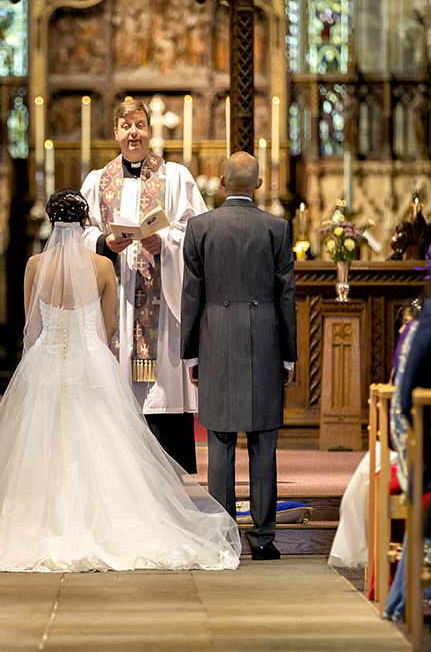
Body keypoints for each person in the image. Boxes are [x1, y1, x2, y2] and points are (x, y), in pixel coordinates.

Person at [0, 188, 240, 572]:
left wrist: (49, 347)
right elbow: (109, 327)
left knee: (40, 448)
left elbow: (32, 326)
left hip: (45, 360)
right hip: (90, 359)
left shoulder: (33, 265)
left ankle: (38, 524)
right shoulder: (101, 266)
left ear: (51, 222)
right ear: (85, 223)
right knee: (103, 447)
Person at [180, 153, 297, 561]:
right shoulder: (276, 228)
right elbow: (286, 296)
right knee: (264, 443)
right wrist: (289, 356)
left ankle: (223, 536)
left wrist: (190, 354)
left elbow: (191, 295)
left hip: (215, 341)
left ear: (223, 182)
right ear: (259, 185)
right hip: (265, 340)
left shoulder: (200, 227)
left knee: (220, 442)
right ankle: (264, 539)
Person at [80, 99, 208, 472]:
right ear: (116, 132)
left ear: (150, 131)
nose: (133, 132)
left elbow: (196, 234)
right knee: (119, 394)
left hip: (160, 301)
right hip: (118, 299)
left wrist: (165, 242)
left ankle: (168, 470)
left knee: (162, 392)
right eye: (126, 126)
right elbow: (82, 234)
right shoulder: (97, 181)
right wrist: (106, 244)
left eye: (140, 125)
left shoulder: (177, 177)